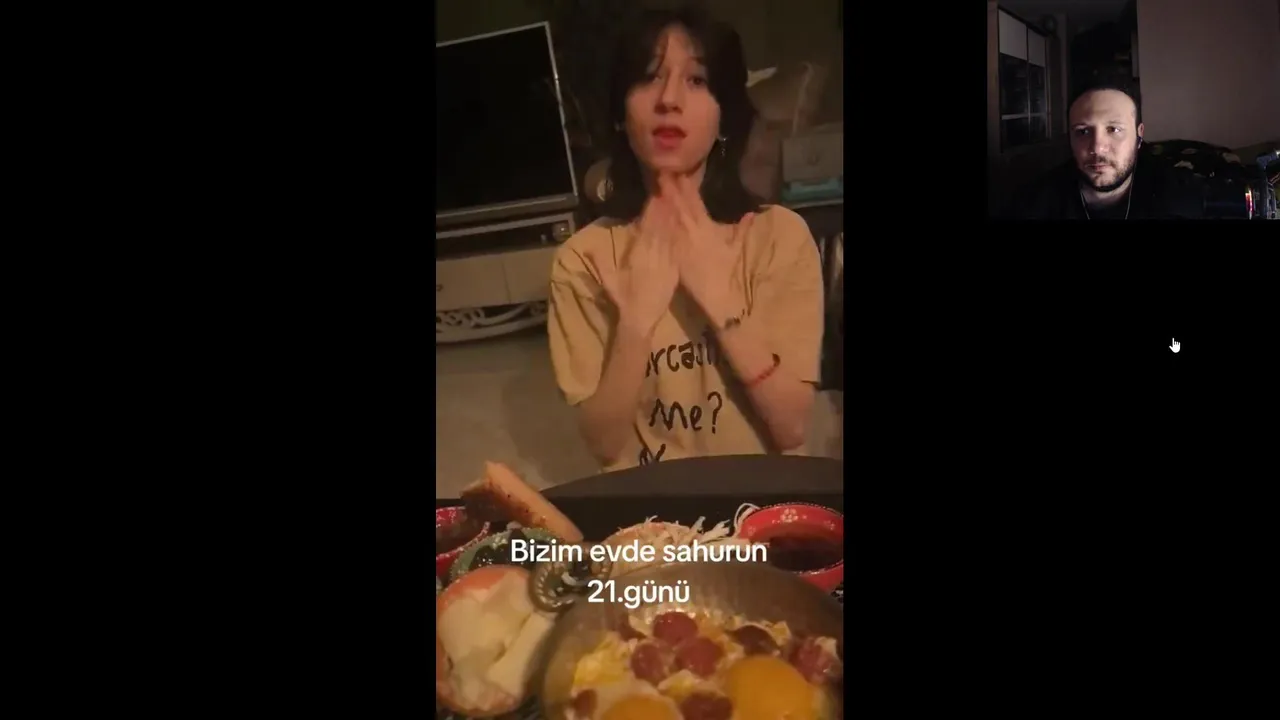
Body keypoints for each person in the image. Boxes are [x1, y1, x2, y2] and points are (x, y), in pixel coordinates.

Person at [547, 6, 825, 472]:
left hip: (762, 502)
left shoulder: (779, 236)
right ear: (619, 114)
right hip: (650, 508)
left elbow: (791, 427)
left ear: (724, 117)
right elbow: (604, 445)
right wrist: (635, 323)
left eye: (696, 80)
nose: (669, 99)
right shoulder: (583, 259)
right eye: (648, 77)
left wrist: (721, 300)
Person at [1004, 77, 1204, 219]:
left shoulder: (1180, 200)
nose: (1098, 148)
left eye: (1114, 129)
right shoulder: (1032, 205)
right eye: (1083, 131)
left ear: (1139, 135)